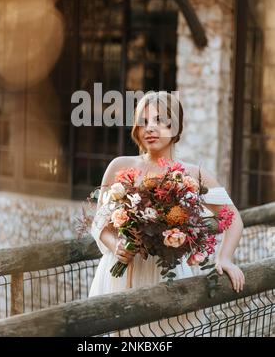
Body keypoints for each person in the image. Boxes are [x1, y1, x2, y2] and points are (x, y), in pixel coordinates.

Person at [88, 91, 245, 336]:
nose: (150, 128)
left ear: (177, 127)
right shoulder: (119, 166)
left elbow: (233, 219)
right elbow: (100, 222)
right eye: (144, 121)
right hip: (117, 273)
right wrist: (117, 244)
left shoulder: (194, 175)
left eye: (161, 120)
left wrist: (224, 258)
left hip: (165, 276)